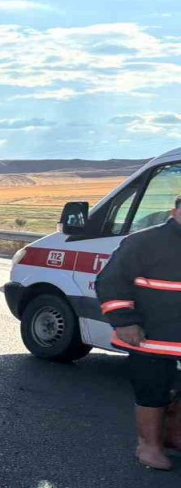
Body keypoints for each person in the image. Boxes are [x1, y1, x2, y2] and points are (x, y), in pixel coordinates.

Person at [96, 194, 181, 470]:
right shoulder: (145, 241)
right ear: (175, 212)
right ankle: (148, 447)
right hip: (151, 338)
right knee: (152, 391)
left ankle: (173, 437)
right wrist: (124, 321)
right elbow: (111, 282)